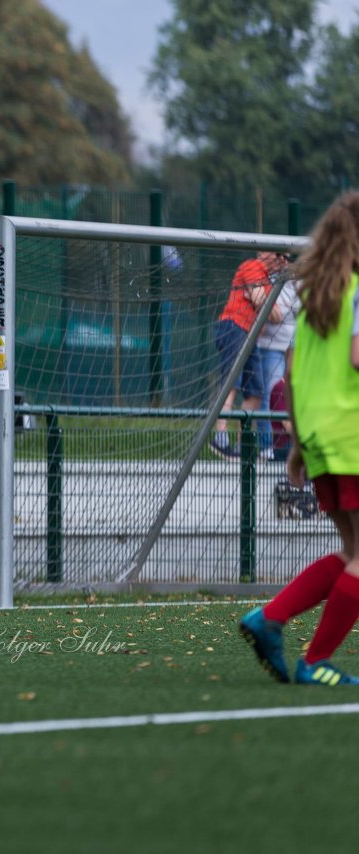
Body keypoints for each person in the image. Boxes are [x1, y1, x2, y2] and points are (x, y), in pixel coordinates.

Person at [239, 191, 359, 685]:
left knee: (353, 554)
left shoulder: (317, 299)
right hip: (352, 437)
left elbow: (293, 371)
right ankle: (314, 661)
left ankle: (269, 618)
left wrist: (298, 443)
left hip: (321, 437)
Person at [210, 251, 289, 458]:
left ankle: (241, 444)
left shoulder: (269, 283)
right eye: (279, 254)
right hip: (233, 327)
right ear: (263, 252)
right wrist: (261, 301)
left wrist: (261, 300)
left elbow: (276, 315)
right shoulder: (253, 266)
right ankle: (220, 436)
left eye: (286, 257)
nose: (282, 261)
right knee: (231, 383)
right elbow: (261, 301)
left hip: (250, 335)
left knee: (256, 392)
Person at [252, 274, 300, 456]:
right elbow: (286, 423)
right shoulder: (281, 386)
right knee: (270, 394)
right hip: (289, 448)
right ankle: (266, 447)